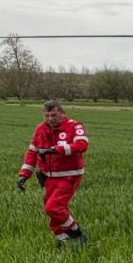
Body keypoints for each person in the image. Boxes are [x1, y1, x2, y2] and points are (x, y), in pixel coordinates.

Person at [16, 100, 89, 247]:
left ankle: (77, 232)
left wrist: (56, 149)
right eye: (47, 115)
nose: (50, 119)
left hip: (69, 175)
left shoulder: (74, 126)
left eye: (53, 115)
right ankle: (63, 240)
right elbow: (32, 152)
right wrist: (24, 174)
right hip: (49, 177)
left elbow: (82, 145)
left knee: (53, 207)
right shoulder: (40, 129)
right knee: (52, 209)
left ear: (62, 113)